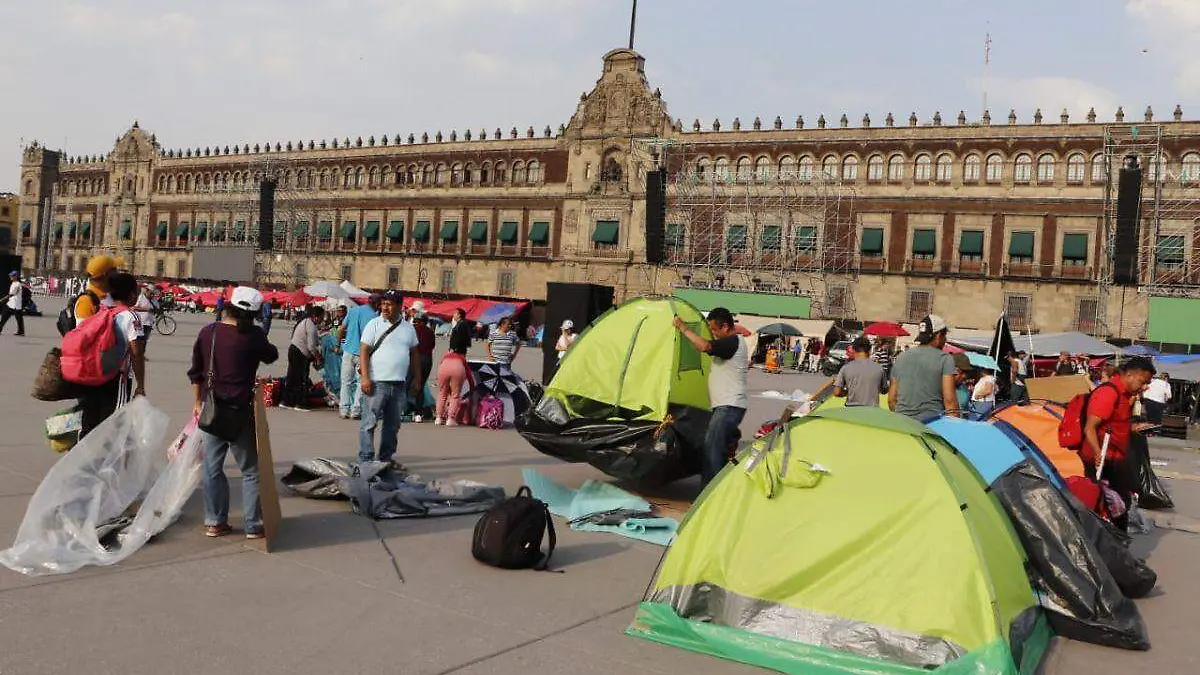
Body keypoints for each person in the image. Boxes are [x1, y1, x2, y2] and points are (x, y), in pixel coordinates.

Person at [188, 286, 279, 539]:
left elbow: (196, 371)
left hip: (212, 409)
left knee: (212, 468)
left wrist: (197, 402)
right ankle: (253, 525)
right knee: (250, 471)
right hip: (240, 411)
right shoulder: (254, 336)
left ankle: (215, 522)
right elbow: (272, 356)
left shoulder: (209, 332)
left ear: (228, 305)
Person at [673, 307, 748, 488]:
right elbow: (701, 346)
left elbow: (705, 346)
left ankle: (707, 497)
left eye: (714, 329)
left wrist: (683, 327)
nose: (713, 334)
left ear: (724, 327)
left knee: (712, 450)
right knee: (719, 451)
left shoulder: (732, 342)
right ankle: (719, 492)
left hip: (728, 407)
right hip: (727, 406)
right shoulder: (729, 343)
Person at [1083, 358, 1157, 531]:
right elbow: (1090, 427)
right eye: (1142, 382)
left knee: (1121, 504)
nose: (1143, 387)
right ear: (1130, 374)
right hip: (1102, 460)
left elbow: (1116, 424)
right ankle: (1113, 545)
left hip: (1115, 457)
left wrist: (1135, 428)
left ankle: (1118, 545)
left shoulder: (1125, 396)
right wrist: (1097, 453)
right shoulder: (1109, 393)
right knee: (1113, 505)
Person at [77, 272, 146, 438]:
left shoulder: (101, 311)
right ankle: (106, 461)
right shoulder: (130, 316)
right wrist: (141, 385)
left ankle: (85, 455)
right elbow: (137, 353)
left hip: (95, 375)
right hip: (117, 378)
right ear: (131, 294)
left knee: (93, 421)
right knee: (114, 423)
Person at [358, 291, 419, 464]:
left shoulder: (408, 328)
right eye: (383, 303)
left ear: (400, 307)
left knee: (392, 426)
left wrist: (417, 379)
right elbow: (363, 350)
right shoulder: (374, 324)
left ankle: (386, 459)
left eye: (389, 304)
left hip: (399, 383)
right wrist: (365, 377)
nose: (385, 307)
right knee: (369, 423)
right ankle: (366, 460)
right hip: (377, 382)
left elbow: (414, 353)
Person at [888, 315, 959, 422]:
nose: (945, 341)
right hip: (930, 425)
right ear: (939, 335)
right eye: (944, 337)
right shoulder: (945, 359)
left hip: (902, 424)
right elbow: (950, 402)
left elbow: (891, 399)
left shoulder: (901, 357)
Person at [340, 294, 381, 419]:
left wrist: (338, 344)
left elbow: (342, 329)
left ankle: (344, 409)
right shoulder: (374, 317)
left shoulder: (353, 310)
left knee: (345, 382)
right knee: (360, 382)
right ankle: (355, 410)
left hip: (348, 351)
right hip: (362, 354)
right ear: (376, 304)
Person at [281, 306, 324, 410]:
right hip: (300, 353)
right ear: (316, 317)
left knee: (292, 376)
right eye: (322, 317)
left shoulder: (305, 321)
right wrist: (318, 357)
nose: (323, 319)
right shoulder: (311, 326)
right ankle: (300, 403)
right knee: (302, 379)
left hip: (293, 349)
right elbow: (311, 347)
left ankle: (286, 401)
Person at [436, 308, 474, 426]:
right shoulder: (463, 325)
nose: (453, 315)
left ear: (459, 315)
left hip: (445, 364)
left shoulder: (459, 325)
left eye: (455, 313)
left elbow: (459, 340)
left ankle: (438, 417)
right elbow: (467, 342)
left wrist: (453, 348)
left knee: (442, 393)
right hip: (457, 364)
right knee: (455, 394)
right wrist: (472, 387)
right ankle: (450, 418)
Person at [833, 337, 885, 407]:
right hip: (872, 411)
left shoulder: (846, 368)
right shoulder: (879, 368)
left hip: (852, 410)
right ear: (869, 350)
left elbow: (837, 392)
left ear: (853, 350)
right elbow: (884, 390)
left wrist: (847, 392)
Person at [74, 255, 124, 325]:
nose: (118, 273)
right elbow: (84, 334)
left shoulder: (112, 295)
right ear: (106, 274)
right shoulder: (86, 302)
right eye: (115, 270)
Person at [410, 308, 436, 421]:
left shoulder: (413, 331)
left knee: (413, 385)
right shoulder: (430, 332)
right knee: (421, 385)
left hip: (417, 359)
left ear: (422, 321)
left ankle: (415, 412)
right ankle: (421, 412)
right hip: (428, 360)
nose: (414, 323)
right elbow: (432, 346)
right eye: (414, 321)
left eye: (416, 321)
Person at [0, 270, 25, 336]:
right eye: (11, 275)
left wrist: (3, 299)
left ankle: (21, 331)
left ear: (16, 276)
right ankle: (21, 331)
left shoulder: (17, 284)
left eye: (12, 275)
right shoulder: (13, 283)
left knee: (18, 319)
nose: (10, 276)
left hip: (16, 305)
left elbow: (12, 294)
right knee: (4, 317)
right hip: (11, 304)